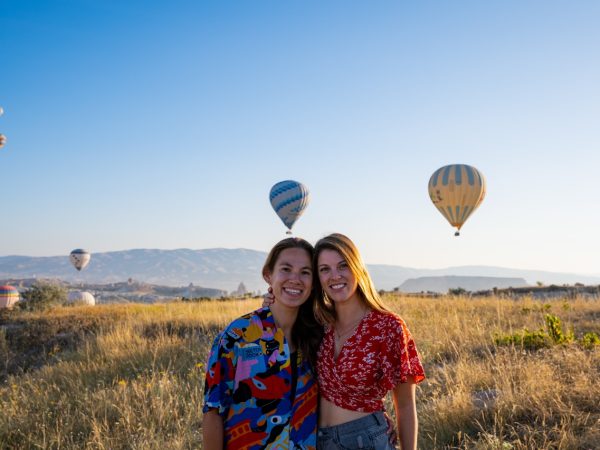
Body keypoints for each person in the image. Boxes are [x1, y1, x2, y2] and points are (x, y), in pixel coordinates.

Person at [264, 233, 425, 450]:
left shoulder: (388, 327)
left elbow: (405, 406)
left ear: (357, 267)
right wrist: (271, 300)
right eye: (324, 269)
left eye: (343, 266)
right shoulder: (317, 323)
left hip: (366, 438)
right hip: (315, 440)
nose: (335, 276)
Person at [202, 237, 323, 449]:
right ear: (268, 275)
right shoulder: (238, 336)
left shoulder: (319, 337)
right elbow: (213, 411)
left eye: (305, 272)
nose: (295, 279)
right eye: (286, 269)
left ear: (314, 283)